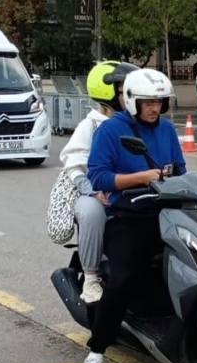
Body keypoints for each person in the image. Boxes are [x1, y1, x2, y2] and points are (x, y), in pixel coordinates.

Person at [79, 68, 187, 363]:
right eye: (148, 102)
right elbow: (98, 177)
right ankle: (96, 353)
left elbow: (181, 169)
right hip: (130, 215)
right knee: (123, 278)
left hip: (168, 211)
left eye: (159, 102)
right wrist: (141, 178)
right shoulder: (112, 131)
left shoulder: (166, 129)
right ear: (131, 101)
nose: (155, 108)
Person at [59, 60, 138, 305]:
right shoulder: (91, 124)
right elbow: (73, 163)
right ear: (108, 92)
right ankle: (91, 277)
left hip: (132, 190)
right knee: (92, 213)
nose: (130, 93)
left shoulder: (137, 122)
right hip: (94, 191)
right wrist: (91, 191)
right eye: (125, 88)